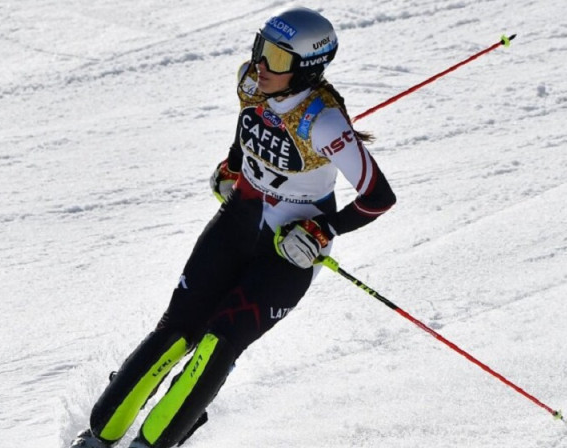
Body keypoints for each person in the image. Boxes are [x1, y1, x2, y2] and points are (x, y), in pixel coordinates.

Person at [70, 6, 396, 448]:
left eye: (277, 60)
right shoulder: (250, 81)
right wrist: (233, 166)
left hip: (288, 250)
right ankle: (97, 437)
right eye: (260, 49)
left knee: (216, 344)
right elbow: (248, 128)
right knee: (175, 331)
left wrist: (324, 231)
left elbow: (378, 197)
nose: (261, 65)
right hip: (237, 221)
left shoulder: (323, 122)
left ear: (306, 69)